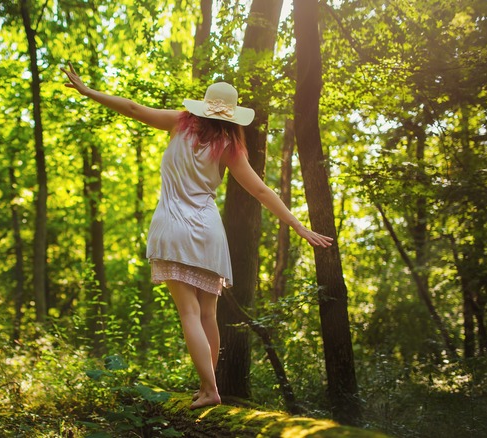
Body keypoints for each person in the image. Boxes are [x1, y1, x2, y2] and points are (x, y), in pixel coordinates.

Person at [61, 63, 333, 409]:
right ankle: (209, 387)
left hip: (173, 228)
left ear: (203, 106)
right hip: (208, 232)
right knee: (207, 313)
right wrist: (298, 225)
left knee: (189, 313)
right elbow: (262, 192)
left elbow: (131, 108)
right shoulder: (230, 145)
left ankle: (209, 390)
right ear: (233, 116)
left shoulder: (179, 123)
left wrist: (89, 92)